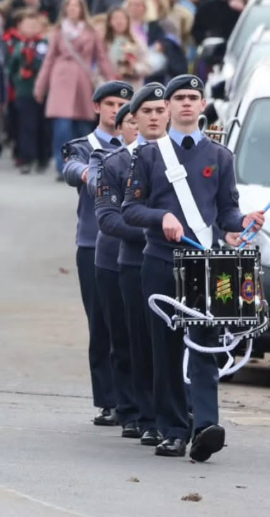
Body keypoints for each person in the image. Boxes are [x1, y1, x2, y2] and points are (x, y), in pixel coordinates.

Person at [122, 75, 265, 461]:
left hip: (208, 264)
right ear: (167, 107)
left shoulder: (220, 157)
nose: (186, 103)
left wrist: (243, 221)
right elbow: (130, 209)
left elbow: (226, 211)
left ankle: (205, 426)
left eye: (193, 98)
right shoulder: (149, 156)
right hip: (161, 262)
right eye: (179, 98)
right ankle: (172, 429)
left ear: (203, 106)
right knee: (166, 348)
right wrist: (162, 216)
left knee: (205, 345)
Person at [94, 82, 171, 449]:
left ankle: (178, 413)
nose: (152, 119)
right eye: (145, 113)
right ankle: (144, 415)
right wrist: (156, 232)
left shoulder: (184, 158)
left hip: (178, 262)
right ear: (133, 121)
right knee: (138, 340)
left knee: (173, 345)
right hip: (134, 261)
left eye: (160, 110)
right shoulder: (117, 162)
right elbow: (108, 219)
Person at [61, 80, 134, 426]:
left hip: (134, 246)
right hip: (93, 245)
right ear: (97, 108)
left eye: (123, 103)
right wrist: (90, 172)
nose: (116, 109)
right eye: (109, 103)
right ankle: (109, 399)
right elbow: (73, 169)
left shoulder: (142, 147)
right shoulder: (83, 146)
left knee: (130, 325)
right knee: (102, 323)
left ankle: (133, 398)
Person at [87, 98, 141, 439]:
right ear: (119, 129)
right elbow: (107, 215)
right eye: (131, 120)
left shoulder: (165, 162)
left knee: (147, 340)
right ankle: (127, 408)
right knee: (119, 336)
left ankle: (154, 407)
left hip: (153, 260)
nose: (139, 125)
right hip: (111, 258)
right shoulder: (109, 161)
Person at [34, 0, 116, 177]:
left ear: (82, 9)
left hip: (83, 81)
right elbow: (48, 59)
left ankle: (85, 164)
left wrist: (113, 85)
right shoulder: (57, 32)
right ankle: (63, 166)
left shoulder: (91, 32)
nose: (72, 9)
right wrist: (41, 86)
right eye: (69, 6)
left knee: (82, 127)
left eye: (76, 6)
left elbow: (102, 59)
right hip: (61, 79)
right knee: (62, 127)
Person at [7, 10, 52, 174]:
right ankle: (26, 158)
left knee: (43, 126)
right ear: (20, 27)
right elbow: (11, 67)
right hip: (24, 91)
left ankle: (43, 158)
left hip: (43, 91)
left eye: (35, 25)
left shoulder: (45, 44)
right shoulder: (19, 45)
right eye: (28, 25)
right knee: (26, 126)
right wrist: (16, 80)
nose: (31, 28)